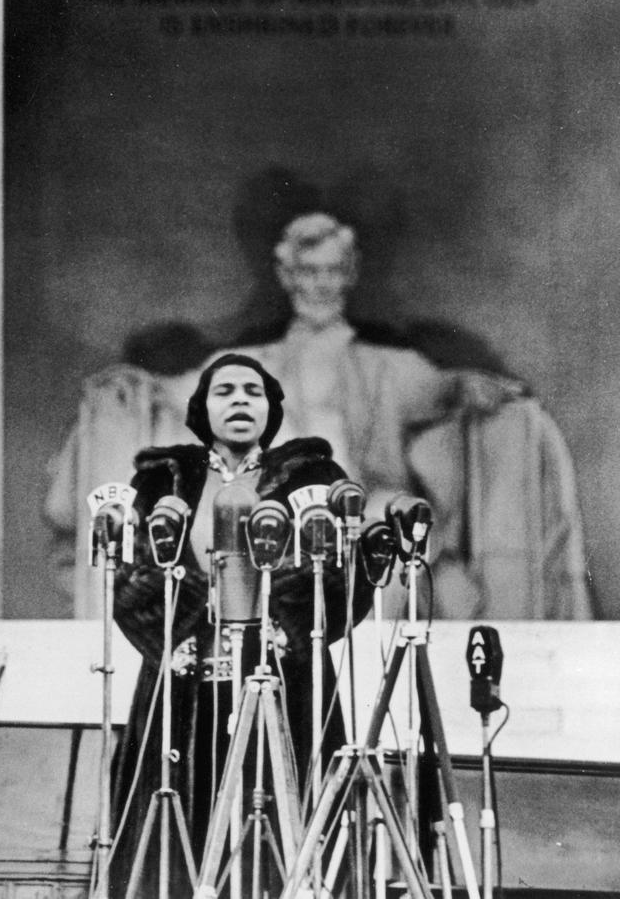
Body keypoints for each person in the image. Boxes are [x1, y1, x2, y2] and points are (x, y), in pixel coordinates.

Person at [45, 211, 591, 620]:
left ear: (348, 275)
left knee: (392, 534)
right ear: (288, 276)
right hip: (277, 513)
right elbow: (183, 392)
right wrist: (138, 386)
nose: (320, 284)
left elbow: (442, 390)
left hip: (359, 509)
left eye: (332, 271)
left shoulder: (384, 365)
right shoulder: (255, 363)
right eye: (308, 271)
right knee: (242, 539)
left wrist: (473, 385)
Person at [108, 354, 375, 897]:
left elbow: (342, 578)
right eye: (224, 391)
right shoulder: (163, 481)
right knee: (177, 831)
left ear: (270, 409)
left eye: (252, 392)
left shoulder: (313, 478)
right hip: (185, 688)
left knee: (284, 825)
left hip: (284, 681)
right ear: (202, 408)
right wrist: (185, 631)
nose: (239, 401)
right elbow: (131, 576)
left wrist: (277, 625)